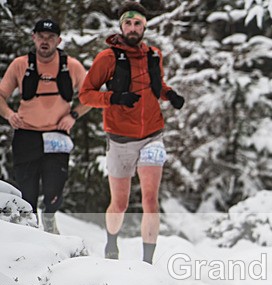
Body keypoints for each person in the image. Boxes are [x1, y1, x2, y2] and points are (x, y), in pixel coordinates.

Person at [79, 1, 184, 263]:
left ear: (145, 25)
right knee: (120, 204)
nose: (133, 28)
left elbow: (156, 85)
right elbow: (86, 94)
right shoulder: (108, 58)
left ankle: (147, 263)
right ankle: (111, 244)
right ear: (121, 26)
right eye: (128, 23)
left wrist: (170, 94)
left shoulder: (154, 55)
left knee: (150, 200)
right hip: (120, 140)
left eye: (137, 23)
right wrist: (114, 98)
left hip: (152, 136)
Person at [0, 18, 90, 234]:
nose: (45, 41)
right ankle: (31, 234)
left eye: (50, 38)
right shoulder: (21, 64)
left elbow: (91, 96)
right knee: (26, 192)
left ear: (58, 40)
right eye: (41, 36)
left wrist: (74, 114)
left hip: (56, 136)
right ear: (34, 38)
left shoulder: (71, 66)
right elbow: (1, 95)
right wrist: (9, 114)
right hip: (27, 134)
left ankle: (49, 218)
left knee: (54, 190)